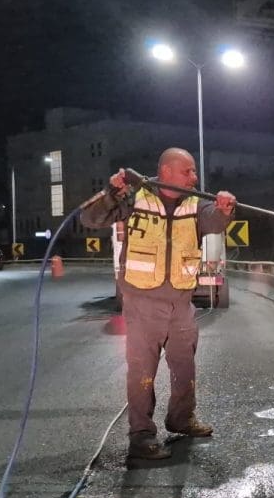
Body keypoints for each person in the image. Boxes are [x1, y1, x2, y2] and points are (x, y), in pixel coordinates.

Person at [81, 148, 237, 461]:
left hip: (180, 302)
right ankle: (141, 436)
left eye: (193, 172)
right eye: (188, 171)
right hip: (142, 302)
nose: (194, 177)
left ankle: (181, 419)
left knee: (184, 366)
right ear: (165, 172)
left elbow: (213, 222)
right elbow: (90, 217)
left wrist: (223, 209)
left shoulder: (195, 203)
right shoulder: (135, 196)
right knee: (142, 371)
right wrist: (111, 193)